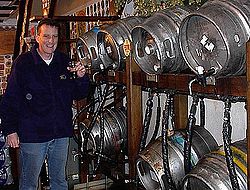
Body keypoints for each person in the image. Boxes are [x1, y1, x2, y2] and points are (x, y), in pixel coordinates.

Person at [0, 18, 89, 190]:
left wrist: (80, 78)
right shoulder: (23, 63)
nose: (51, 41)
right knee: (29, 183)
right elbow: (10, 98)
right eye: (46, 36)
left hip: (61, 134)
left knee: (60, 181)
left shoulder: (64, 62)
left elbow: (79, 94)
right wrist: (10, 130)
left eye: (54, 36)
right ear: (37, 37)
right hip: (33, 136)